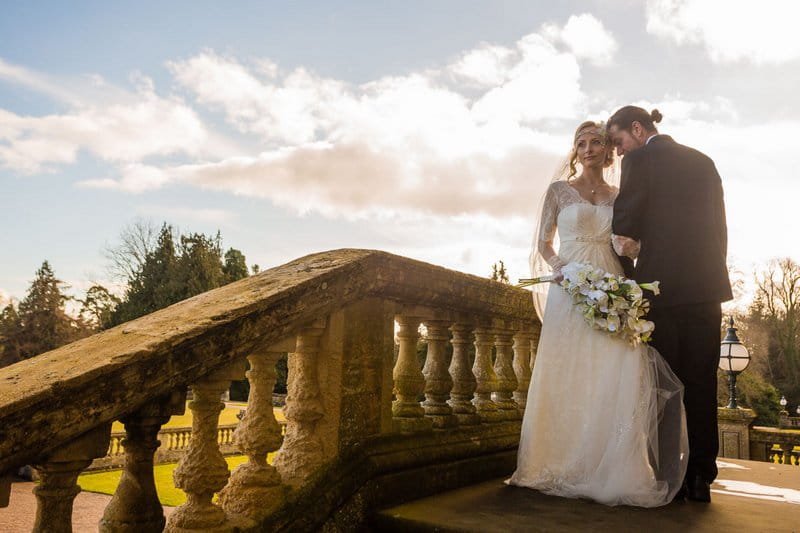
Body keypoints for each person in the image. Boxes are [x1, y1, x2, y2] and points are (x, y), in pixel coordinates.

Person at [507, 120, 688, 507]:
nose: (589, 149)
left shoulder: (620, 195)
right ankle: (558, 461)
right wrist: (562, 269)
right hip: (571, 287)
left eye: (597, 143)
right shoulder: (558, 191)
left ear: (609, 152)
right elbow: (544, 242)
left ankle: (608, 465)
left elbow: (630, 243)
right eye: (582, 143)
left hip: (611, 285)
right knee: (568, 367)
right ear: (575, 151)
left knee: (613, 366)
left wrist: (633, 248)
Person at [609, 106, 733, 502]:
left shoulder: (640, 160)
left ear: (637, 128)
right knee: (701, 383)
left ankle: (668, 476)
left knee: (663, 384)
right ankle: (701, 477)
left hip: (661, 291)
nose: (619, 151)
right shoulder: (704, 161)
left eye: (618, 141)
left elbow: (625, 223)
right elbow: (720, 228)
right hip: (706, 289)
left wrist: (641, 249)